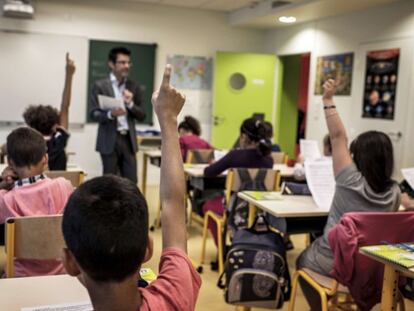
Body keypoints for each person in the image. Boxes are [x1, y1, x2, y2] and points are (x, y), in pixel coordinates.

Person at [62, 65, 201, 311]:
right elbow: (173, 203)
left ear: (69, 262)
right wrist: (168, 120)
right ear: (148, 248)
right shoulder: (174, 298)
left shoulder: (132, 89)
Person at [296, 79, 400, 310]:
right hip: (374, 269)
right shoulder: (394, 192)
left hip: (336, 264)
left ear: (358, 156)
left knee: (301, 259)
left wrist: (328, 99)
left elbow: (337, 137)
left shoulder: (349, 180)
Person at [0, 127, 73, 277]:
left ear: (10, 163)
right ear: (45, 159)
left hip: (21, 276)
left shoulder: (6, 199)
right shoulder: (63, 186)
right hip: (61, 272)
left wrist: (2, 184)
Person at [202, 118, 273, 248]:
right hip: (262, 210)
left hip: (235, 210)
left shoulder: (235, 155)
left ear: (244, 137)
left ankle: (223, 251)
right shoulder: (268, 160)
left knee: (208, 206)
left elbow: (208, 172)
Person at [90, 47, 146, 183]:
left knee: (131, 182)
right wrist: (110, 113)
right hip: (109, 139)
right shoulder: (100, 86)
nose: (126, 66)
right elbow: (94, 113)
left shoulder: (134, 86)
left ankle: (130, 205)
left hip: (128, 140)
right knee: (109, 182)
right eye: (122, 62)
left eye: (128, 63)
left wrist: (131, 104)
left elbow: (142, 115)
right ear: (111, 64)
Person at [23, 53, 75, 170]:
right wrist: (69, 75)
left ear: (31, 127)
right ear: (55, 126)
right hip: (58, 187)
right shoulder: (58, 141)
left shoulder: (28, 147)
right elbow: (65, 106)